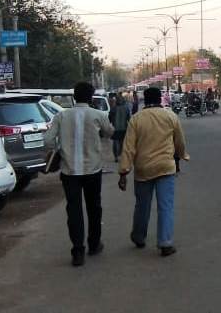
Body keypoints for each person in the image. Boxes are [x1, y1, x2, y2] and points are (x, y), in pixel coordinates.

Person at [43, 82, 115, 266]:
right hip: (92, 170)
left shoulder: (61, 115)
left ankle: (77, 251)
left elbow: (48, 140)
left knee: (74, 210)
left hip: (69, 172)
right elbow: (109, 132)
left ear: (74, 97)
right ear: (91, 98)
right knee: (94, 207)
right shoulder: (98, 115)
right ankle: (94, 244)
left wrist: (60, 149)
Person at [118, 87, 189, 257]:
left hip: (143, 169)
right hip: (166, 167)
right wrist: (181, 156)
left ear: (145, 99)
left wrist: (123, 172)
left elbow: (128, 148)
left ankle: (138, 237)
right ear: (160, 99)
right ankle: (165, 243)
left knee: (142, 205)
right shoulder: (170, 116)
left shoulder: (136, 119)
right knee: (166, 206)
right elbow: (179, 141)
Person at [109, 94, 131, 163]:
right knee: (122, 143)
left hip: (115, 128)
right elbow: (129, 118)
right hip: (124, 128)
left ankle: (116, 157)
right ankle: (121, 155)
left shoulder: (113, 108)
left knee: (115, 143)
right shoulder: (126, 108)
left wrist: (110, 123)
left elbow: (109, 118)